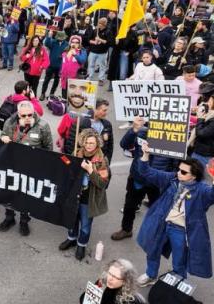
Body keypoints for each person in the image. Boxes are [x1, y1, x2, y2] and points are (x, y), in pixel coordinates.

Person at [135, 142, 214, 286]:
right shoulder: (172, 179)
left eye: (183, 172)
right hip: (162, 223)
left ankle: (177, 284)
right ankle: (151, 275)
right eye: (179, 169)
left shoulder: (202, 190)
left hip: (181, 230)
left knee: (179, 261)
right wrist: (146, 154)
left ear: (194, 176)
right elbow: (147, 172)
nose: (179, 173)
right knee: (152, 251)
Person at [111, 116, 177, 241]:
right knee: (129, 206)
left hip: (157, 182)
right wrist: (133, 130)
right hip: (138, 178)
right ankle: (126, 229)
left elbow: (175, 163)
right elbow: (124, 144)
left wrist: (169, 180)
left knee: (158, 210)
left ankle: (156, 234)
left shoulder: (172, 138)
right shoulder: (141, 132)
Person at [0, 101, 53, 236]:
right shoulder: (10, 123)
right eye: (24, 116)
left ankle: (24, 221)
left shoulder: (43, 126)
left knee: (26, 195)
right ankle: (9, 217)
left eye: (30, 114)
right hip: (12, 166)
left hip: (31, 169)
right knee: (9, 193)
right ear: (18, 115)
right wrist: (3, 138)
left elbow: (49, 149)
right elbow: (2, 138)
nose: (28, 117)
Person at [59, 128, 110, 261]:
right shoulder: (77, 153)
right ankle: (71, 238)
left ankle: (81, 244)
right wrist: (65, 160)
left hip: (88, 200)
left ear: (97, 144)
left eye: (92, 143)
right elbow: (66, 166)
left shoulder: (102, 161)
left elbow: (103, 183)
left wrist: (90, 171)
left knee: (86, 226)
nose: (88, 145)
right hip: (74, 195)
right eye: (86, 142)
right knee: (72, 219)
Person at [78, 259, 145, 304]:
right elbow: (84, 298)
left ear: (125, 281)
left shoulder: (129, 301)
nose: (110, 278)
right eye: (110, 273)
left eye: (115, 277)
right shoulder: (103, 281)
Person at [188, 82, 214, 168]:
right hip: (198, 148)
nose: (204, 96)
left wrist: (200, 118)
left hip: (206, 153)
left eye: (206, 94)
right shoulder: (203, 103)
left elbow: (202, 133)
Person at [40, 31, 69, 101]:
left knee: (56, 81)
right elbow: (46, 43)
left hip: (60, 66)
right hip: (51, 65)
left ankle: (52, 93)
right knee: (46, 80)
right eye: (59, 38)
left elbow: (68, 54)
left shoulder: (67, 44)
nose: (61, 39)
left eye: (62, 38)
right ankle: (43, 93)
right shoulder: (53, 42)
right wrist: (49, 36)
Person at [86, 17, 113, 86]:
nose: (99, 25)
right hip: (93, 51)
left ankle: (101, 79)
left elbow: (109, 42)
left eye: (100, 23)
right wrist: (94, 42)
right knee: (91, 64)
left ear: (104, 24)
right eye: (99, 23)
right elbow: (89, 40)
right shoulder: (95, 30)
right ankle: (89, 77)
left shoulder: (108, 32)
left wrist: (100, 40)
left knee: (102, 66)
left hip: (102, 52)